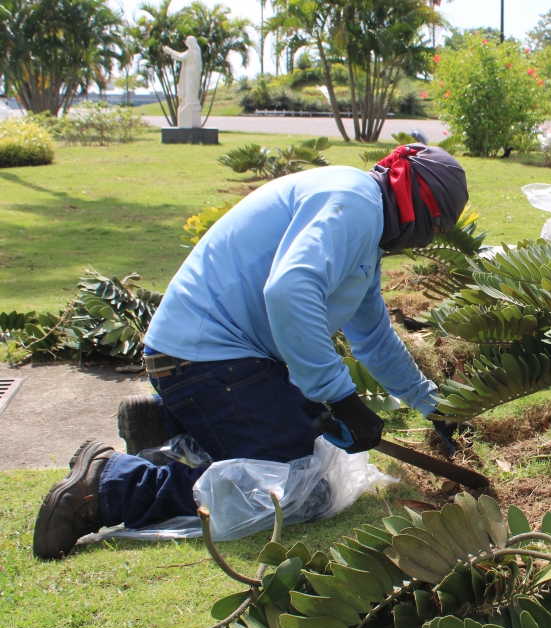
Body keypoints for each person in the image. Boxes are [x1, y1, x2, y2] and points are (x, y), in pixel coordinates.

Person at [33, 145, 468, 559]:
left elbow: (373, 337)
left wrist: (433, 405)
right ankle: (109, 487)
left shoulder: (362, 224)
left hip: (218, 362)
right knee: (296, 490)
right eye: (433, 229)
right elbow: (289, 290)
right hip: (207, 360)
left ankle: (170, 423)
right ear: (417, 205)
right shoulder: (355, 203)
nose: (425, 242)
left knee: (310, 459)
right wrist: (340, 396)